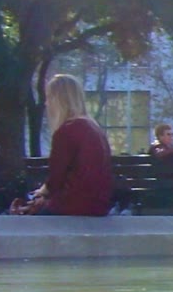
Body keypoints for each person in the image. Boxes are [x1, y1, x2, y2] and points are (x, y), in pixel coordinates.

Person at [9, 75, 114, 216]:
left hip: (74, 204)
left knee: (30, 218)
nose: (46, 103)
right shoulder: (94, 127)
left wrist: (41, 193)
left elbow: (56, 178)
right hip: (99, 205)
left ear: (58, 100)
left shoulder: (67, 130)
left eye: (49, 97)